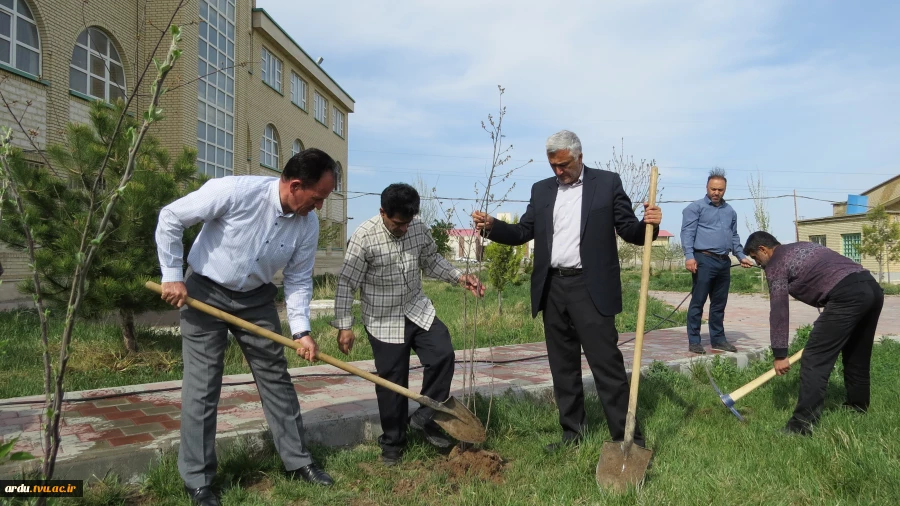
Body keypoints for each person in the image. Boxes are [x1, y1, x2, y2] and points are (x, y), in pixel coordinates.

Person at [155, 149, 337, 506]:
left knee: (276, 379)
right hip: (204, 294)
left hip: (256, 300)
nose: (319, 207)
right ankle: (198, 481)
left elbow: (298, 280)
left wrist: (301, 331)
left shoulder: (307, 224)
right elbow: (171, 217)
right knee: (203, 387)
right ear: (296, 185)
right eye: (317, 198)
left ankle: (298, 461)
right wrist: (173, 275)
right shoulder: (236, 192)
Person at [471, 130, 662, 452]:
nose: (559, 172)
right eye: (554, 166)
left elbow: (630, 231)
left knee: (607, 365)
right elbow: (523, 231)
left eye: (564, 165)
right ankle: (573, 434)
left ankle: (627, 438)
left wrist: (650, 225)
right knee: (563, 367)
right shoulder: (542, 190)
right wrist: (493, 226)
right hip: (553, 288)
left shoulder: (607, 183)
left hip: (591, 287)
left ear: (579, 157)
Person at [330, 183, 484, 465]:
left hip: (417, 309)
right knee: (391, 382)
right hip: (382, 318)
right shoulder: (364, 237)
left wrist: (460, 277)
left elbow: (432, 261)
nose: (403, 228)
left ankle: (426, 416)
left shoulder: (418, 227)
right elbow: (346, 284)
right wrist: (345, 325)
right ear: (383, 212)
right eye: (397, 223)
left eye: (407, 222)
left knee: (442, 354)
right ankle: (392, 443)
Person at [743, 231, 884, 435]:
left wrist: (780, 354)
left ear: (763, 249)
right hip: (871, 288)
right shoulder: (802, 246)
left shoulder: (775, 264)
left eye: (756, 258)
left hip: (847, 296)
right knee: (856, 356)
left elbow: (779, 309)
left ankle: (801, 426)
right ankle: (857, 407)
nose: (758, 264)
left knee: (814, 359)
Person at [680, 168, 754, 355]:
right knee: (698, 301)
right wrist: (689, 256)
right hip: (703, 259)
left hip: (723, 262)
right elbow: (687, 233)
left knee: (719, 303)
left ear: (725, 189)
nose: (716, 193)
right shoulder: (695, 208)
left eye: (720, 190)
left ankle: (718, 340)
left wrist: (741, 256)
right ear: (707, 187)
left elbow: (734, 236)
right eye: (713, 189)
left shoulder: (730, 211)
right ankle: (694, 341)